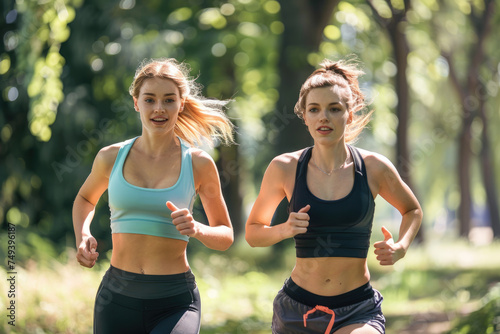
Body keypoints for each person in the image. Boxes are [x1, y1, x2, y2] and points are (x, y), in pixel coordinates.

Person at [245, 58, 422, 334]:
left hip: (357, 309)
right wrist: (284, 229)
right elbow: (253, 233)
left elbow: (412, 210)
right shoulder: (285, 168)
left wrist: (401, 246)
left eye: (334, 109)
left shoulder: (374, 167)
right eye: (314, 109)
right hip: (297, 309)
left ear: (349, 114)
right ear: (304, 116)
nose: (323, 117)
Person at [72, 58, 235, 334]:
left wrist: (197, 229)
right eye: (150, 100)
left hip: (174, 301)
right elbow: (85, 199)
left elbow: (226, 235)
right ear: (136, 102)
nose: (159, 108)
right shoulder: (110, 157)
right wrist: (83, 234)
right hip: (116, 298)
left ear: (181, 104)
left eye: (169, 100)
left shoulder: (198, 163)